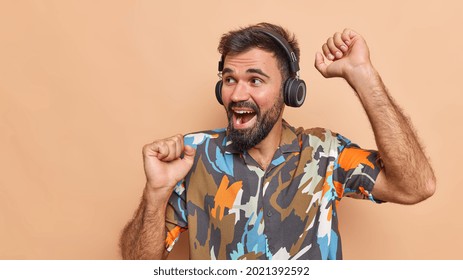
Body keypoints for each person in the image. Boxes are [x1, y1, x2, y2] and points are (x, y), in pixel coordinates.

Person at [119, 22, 436, 260]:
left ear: (290, 92)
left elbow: (416, 186)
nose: (237, 94)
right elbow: (138, 267)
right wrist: (156, 192)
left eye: (255, 80)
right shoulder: (194, 155)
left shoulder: (324, 152)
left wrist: (362, 75)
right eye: (230, 80)